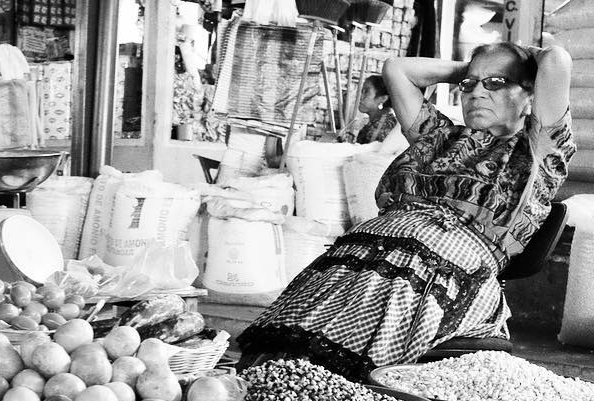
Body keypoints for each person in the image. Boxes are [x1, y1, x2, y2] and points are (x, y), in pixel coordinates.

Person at [236, 42, 575, 378]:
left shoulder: (540, 149)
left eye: (496, 84)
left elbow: (556, 59)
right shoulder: (439, 136)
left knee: (347, 354)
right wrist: (475, 66)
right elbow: (395, 68)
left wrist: (514, 60)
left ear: (529, 93)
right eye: (468, 86)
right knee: (288, 343)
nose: (476, 94)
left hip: (441, 268)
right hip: (360, 257)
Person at [341, 75, 397, 144]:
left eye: (366, 92)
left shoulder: (382, 125)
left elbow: (366, 153)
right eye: (362, 91)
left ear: (382, 99)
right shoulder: (374, 120)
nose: (361, 96)